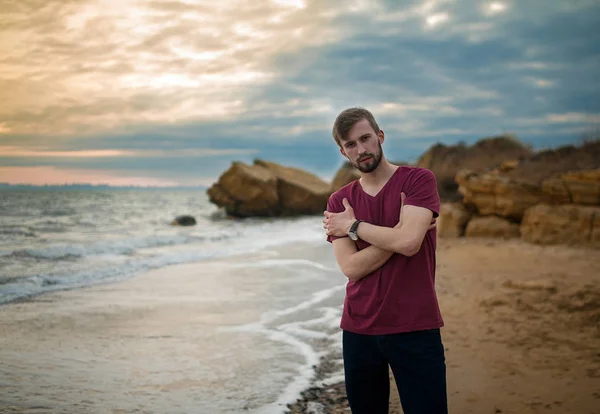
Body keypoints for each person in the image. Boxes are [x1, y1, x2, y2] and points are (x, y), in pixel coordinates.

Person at [322, 107, 448, 414]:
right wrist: (401, 233)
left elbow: (410, 243)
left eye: (365, 138)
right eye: (351, 144)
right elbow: (351, 268)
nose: (361, 149)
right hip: (359, 330)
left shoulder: (418, 180)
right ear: (343, 151)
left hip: (415, 325)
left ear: (380, 137)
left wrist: (353, 227)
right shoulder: (339, 201)